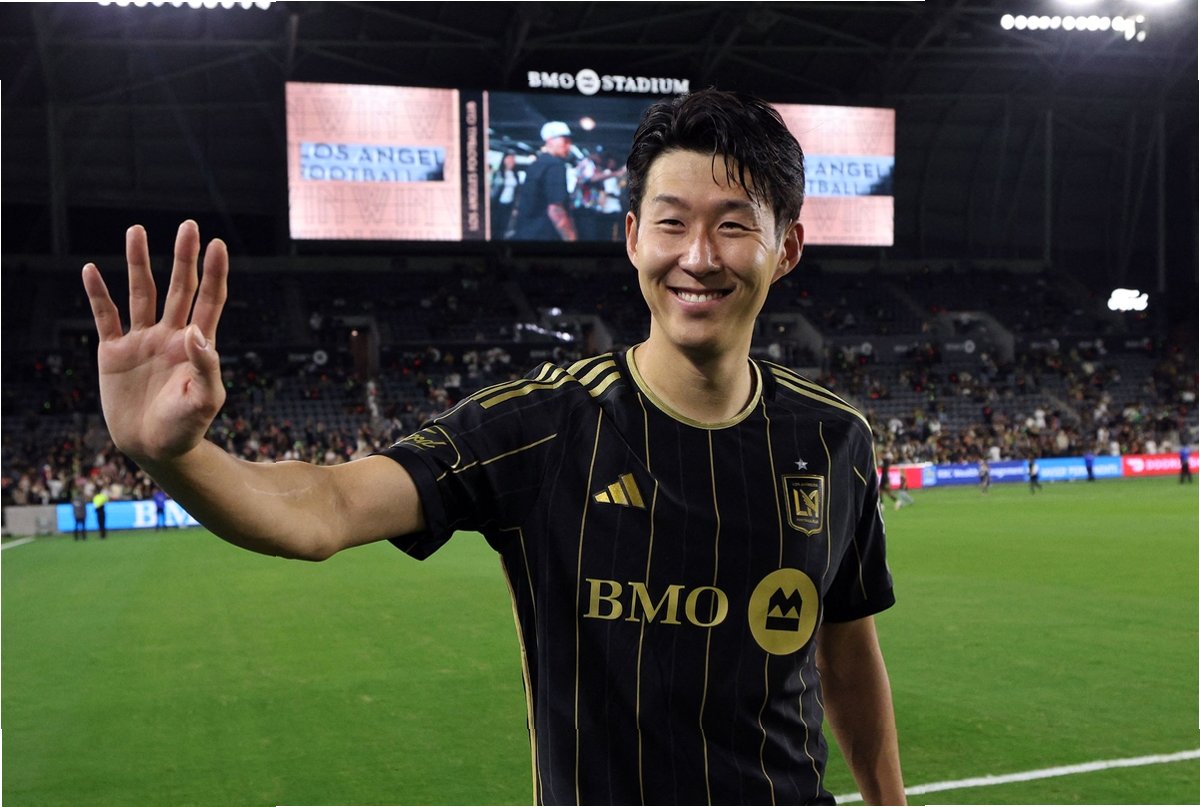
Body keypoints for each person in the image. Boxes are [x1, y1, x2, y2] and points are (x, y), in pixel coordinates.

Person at [81, 88, 904, 805]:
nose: (698, 255)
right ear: (631, 238)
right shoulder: (542, 424)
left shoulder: (834, 438)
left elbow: (846, 652)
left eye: (732, 226)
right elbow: (327, 505)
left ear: (786, 249)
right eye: (671, 223)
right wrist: (174, 457)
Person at [508, 121, 578, 242]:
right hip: (545, 234)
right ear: (550, 140)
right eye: (565, 141)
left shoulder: (536, 164)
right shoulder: (555, 165)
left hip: (526, 232)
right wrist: (570, 237)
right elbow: (555, 209)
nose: (569, 145)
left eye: (569, 141)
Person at [489, 151, 521, 239]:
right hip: (498, 204)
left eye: (512, 160)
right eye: (509, 160)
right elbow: (493, 189)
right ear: (504, 160)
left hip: (509, 204)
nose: (511, 162)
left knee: (504, 225)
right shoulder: (498, 173)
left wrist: (515, 206)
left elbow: (517, 191)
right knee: (495, 225)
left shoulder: (515, 175)